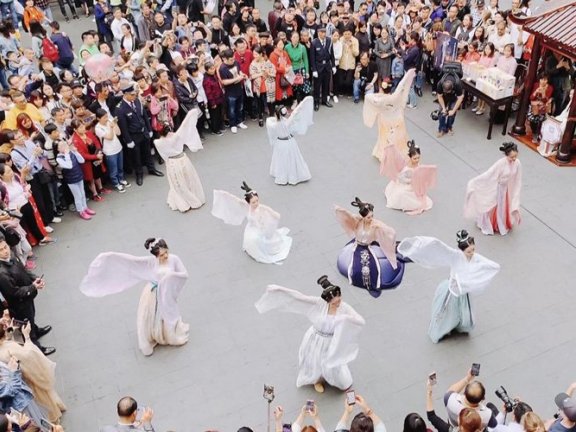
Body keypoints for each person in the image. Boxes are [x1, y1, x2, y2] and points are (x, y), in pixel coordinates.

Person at [80, 237, 190, 356]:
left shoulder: (174, 259)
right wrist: (111, 256)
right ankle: (155, 334)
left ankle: (169, 333)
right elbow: (131, 261)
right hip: (154, 293)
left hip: (166, 293)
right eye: (162, 255)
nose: (165, 256)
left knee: (169, 313)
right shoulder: (151, 262)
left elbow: (184, 274)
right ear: (156, 256)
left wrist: (170, 276)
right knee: (153, 316)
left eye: (166, 252)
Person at [255, 276, 365, 393]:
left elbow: (360, 321)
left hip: (332, 340)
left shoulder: (345, 308)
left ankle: (338, 380)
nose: (338, 303)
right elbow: (299, 297)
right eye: (334, 302)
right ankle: (317, 380)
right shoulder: (319, 303)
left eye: (339, 300)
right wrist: (279, 289)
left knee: (333, 363)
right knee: (314, 360)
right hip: (316, 338)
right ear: (327, 301)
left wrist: (345, 318)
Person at [398, 230, 500, 343]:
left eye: (473, 249)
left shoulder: (475, 257)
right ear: (462, 250)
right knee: (446, 312)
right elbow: (438, 246)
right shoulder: (455, 255)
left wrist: (490, 269)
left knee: (463, 313)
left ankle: (460, 325)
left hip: (463, 291)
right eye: (468, 251)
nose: (472, 253)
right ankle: (439, 331)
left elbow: (491, 265)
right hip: (452, 290)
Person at [334, 197, 405, 298]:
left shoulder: (375, 224)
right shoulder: (358, 221)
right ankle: (361, 281)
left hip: (368, 248)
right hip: (357, 247)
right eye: (368, 217)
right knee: (356, 268)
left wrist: (381, 228)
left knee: (372, 267)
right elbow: (348, 216)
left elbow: (390, 231)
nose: (371, 218)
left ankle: (372, 286)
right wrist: (342, 210)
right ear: (362, 217)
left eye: (372, 216)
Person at [0, 233, 55, 355]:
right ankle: (38, 349)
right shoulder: (2, 273)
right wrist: (33, 286)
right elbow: (14, 293)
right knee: (26, 327)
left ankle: (36, 330)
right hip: (19, 304)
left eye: (5, 247)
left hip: (27, 297)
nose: (5, 251)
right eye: (1, 250)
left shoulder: (11, 256)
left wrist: (34, 278)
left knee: (31, 316)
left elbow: (24, 270)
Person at [212, 181, 292, 265]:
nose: (256, 203)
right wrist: (225, 194)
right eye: (253, 202)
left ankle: (261, 249)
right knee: (252, 239)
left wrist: (275, 214)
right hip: (251, 228)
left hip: (260, 227)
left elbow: (269, 210)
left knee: (259, 239)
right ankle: (253, 251)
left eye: (257, 201)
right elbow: (236, 200)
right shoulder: (247, 207)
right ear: (249, 203)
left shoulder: (261, 207)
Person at [0, 323, 65, 423]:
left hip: (19, 381)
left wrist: (12, 331)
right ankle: (53, 422)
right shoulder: (7, 348)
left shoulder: (4, 345)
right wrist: (27, 336)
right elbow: (29, 355)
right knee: (43, 406)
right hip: (27, 383)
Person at [464, 142, 522, 236]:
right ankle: (491, 222)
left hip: (506, 189)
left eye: (515, 156)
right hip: (498, 188)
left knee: (503, 207)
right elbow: (489, 174)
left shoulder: (517, 163)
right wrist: (475, 182)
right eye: (511, 157)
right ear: (506, 155)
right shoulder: (501, 163)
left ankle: (501, 223)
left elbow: (518, 179)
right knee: (494, 205)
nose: (514, 159)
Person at [153, 109, 205, 212]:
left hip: (172, 163)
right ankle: (195, 199)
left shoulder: (157, 142)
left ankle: (184, 203)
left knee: (177, 184)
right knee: (190, 179)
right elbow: (185, 125)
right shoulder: (176, 137)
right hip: (183, 159)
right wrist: (192, 113)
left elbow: (163, 155)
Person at [116, 83, 164, 186]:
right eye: (132, 95)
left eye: (135, 94)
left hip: (144, 132)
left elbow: (144, 116)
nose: (134, 96)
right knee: (136, 157)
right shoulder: (120, 108)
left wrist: (149, 129)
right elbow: (123, 127)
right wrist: (128, 140)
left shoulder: (136, 101)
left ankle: (152, 169)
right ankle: (139, 174)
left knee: (148, 152)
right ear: (126, 94)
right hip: (133, 135)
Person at [363, 69, 415, 163]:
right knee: (399, 139)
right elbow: (401, 85)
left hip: (385, 122)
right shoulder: (395, 97)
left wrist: (378, 95)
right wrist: (408, 74)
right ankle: (399, 155)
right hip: (397, 121)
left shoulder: (379, 101)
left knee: (385, 139)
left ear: (381, 88)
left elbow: (367, 96)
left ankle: (386, 155)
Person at [266, 98, 313, 186]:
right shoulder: (287, 122)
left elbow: (269, 120)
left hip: (279, 143)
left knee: (281, 160)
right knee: (292, 159)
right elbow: (295, 112)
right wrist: (302, 103)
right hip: (289, 142)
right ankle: (292, 176)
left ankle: (282, 175)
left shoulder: (273, 124)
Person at [383, 141, 436, 215]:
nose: (417, 160)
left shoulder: (418, 165)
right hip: (404, 182)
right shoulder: (407, 165)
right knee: (400, 193)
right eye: (415, 158)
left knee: (405, 194)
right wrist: (410, 180)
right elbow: (401, 177)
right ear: (410, 157)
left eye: (418, 158)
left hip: (412, 185)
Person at [55, 140, 94, 220]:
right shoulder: (59, 158)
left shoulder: (71, 152)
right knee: (78, 196)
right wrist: (66, 154)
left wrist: (76, 152)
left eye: (64, 144)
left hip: (79, 175)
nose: (64, 146)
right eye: (61, 146)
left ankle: (85, 208)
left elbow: (82, 161)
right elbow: (69, 166)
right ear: (58, 149)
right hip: (71, 179)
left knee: (83, 193)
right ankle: (81, 211)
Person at [310, 27, 335, 111]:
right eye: (322, 32)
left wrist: (334, 65)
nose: (324, 34)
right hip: (318, 67)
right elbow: (312, 58)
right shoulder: (314, 43)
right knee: (317, 86)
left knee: (326, 85)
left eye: (325, 32)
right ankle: (316, 102)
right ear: (318, 33)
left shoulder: (329, 41)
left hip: (327, 66)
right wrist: (314, 70)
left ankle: (324, 100)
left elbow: (332, 54)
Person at [527, 73, 553, 143]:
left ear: (547, 80)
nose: (543, 81)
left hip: (543, 107)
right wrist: (536, 92)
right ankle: (535, 132)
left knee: (540, 119)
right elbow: (531, 98)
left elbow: (546, 100)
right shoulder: (536, 85)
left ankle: (538, 135)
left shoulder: (550, 88)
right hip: (535, 106)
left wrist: (543, 93)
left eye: (545, 80)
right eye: (541, 79)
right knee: (532, 119)